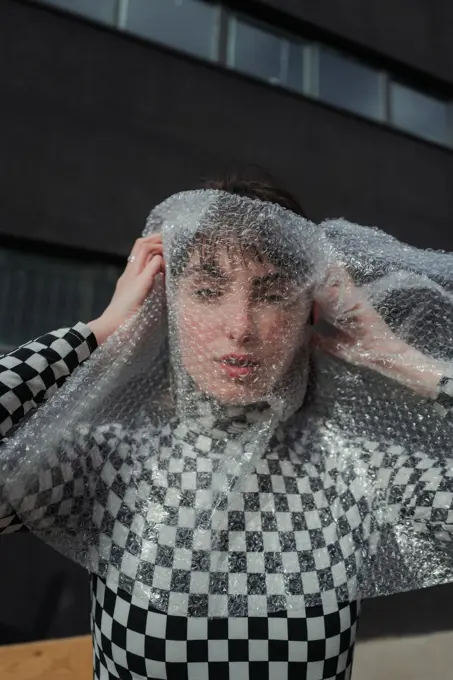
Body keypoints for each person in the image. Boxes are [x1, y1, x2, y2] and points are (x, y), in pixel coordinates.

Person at [0, 176, 452, 680]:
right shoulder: (105, 460)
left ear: (311, 309)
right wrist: (97, 332)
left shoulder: (362, 470)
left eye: (274, 293)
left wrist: (401, 359)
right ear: (166, 303)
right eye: (209, 290)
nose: (240, 325)